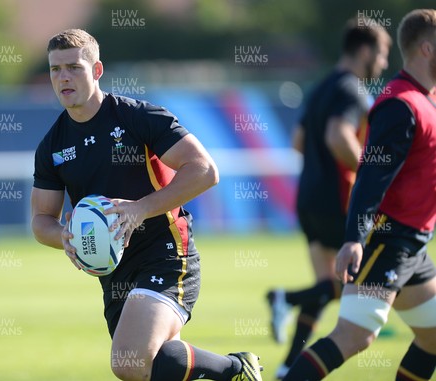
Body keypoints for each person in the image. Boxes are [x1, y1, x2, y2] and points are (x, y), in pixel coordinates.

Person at [31, 29, 262, 381]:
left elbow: (204, 171)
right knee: (151, 367)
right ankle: (236, 370)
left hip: (166, 252)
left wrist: (139, 209)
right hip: (113, 271)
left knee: (128, 361)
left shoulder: (137, 117)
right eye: (55, 69)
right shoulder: (52, 147)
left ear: (96, 71)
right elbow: (41, 220)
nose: (63, 77)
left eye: (74, 67)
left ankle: (234, 368)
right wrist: (63, 236)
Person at [283, 9, 436, 381]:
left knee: (433, 338)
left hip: (412, 244)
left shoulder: (424, 99)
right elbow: (370, 176)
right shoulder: (400, 104)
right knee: (355, 335)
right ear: (427, 49)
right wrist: (354, 239)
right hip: (388, 239)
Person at [266, 16, 391, 379]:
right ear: (365, 50)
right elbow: (339, 136)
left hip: (309, 198)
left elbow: (298, 142)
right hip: (339, 200)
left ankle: (289, 364)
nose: (383, 64)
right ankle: (285, 299)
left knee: (327, 288)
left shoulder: (321, 87)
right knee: (343, 286)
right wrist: (371, 174)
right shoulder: (353, 89)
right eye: (382, 55)